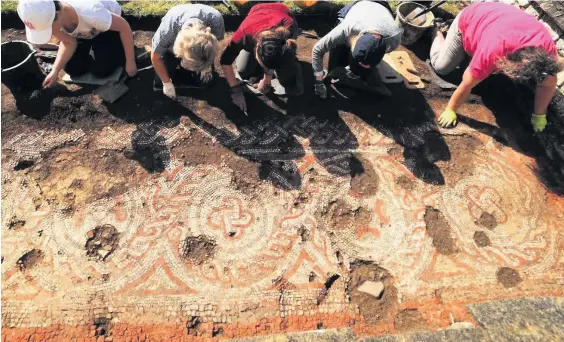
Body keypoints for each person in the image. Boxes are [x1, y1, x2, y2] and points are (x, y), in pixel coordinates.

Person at [430, 2, 563, 133]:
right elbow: (467, 84)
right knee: (442, 67)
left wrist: (539, 115)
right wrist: (451, 109)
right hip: (470, 19)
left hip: (497, 21)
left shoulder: (547, 52)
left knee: (484, 70)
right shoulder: (495, 50)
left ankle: (469, 49)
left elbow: (548, 83)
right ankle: (435, 28)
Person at [17, 0, 137, 88]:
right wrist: (55, 70)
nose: (50, 33)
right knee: (72, 68)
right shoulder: (50, 18)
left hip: (110, 28)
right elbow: (68, 42)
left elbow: (124, 28)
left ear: (58, 16)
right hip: (86, 33)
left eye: (47, 29)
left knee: (101, 70)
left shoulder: (92, 13)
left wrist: (130, 61)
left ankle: (118, 48)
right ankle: (94, 48)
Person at [220, 3, 303, 112]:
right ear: (256, 49)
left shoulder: (288, 27)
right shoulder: (243, 34)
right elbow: (225, 60)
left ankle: (289, 66)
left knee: (286, 72)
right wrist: (236, 92)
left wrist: (266, 80)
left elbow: (276, 54)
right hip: (257, 12)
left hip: (282, 12)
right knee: (242, 70)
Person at [311, 0, 402, 99]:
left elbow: (373, 53)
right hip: (359, 6)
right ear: (354, 41)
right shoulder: (346, 28)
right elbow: (317, 49)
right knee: (338, 54)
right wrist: (319, 82)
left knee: (359, 69)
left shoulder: (394, 38)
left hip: (381, 8)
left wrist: (352, 69)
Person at [151, 4, 224, 99]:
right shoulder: (168, 31)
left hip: (199, 49)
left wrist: (205, 66)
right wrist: (167, 84)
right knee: (160, 81)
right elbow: (155, 57)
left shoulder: (216, 20)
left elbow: (215, 44)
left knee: (206, 81)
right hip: (171, 46)